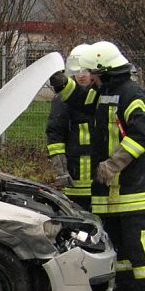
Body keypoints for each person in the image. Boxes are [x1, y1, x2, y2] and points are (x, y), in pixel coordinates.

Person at [49, 41, 145, 291]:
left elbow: (143, 135)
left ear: (106, 70)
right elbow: (79, 99)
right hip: (109, 188)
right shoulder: (106, 93)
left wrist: (114, 164)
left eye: (95, 72)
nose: (92, 78)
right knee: (118, 243)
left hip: (131, 186)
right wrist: (59, 82)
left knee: (139, 243)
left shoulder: (132, 95)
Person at [44, 44, 96, 211]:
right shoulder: (63, 99)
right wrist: (61, 169)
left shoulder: (100, 96)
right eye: (78, 71)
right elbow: (55, 133)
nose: (82, 75)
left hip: (100, 176)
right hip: (76, 174)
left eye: (86, 71)